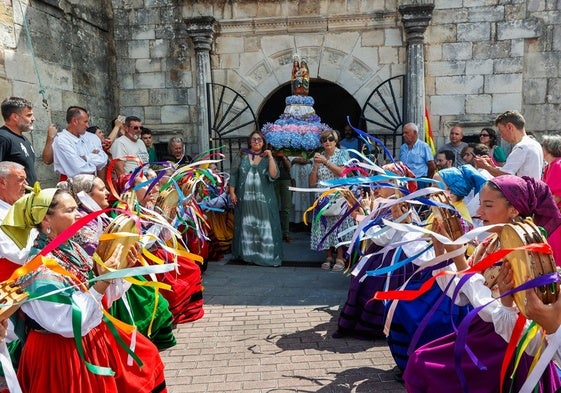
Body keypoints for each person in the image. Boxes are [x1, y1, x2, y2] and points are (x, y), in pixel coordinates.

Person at [0, 186, 168, 392]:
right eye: (69, 211)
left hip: (87, 341)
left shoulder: (72, 249)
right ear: (46, 221)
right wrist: (104, 280)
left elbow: (99, 295)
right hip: (60, 356)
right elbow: (69, 322)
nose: (79, 214)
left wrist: (119, 271)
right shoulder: (39, 268)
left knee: (146, 356)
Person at [404, 175, 561, 392]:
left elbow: (512, 323)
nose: (479, 213)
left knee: (424, 366)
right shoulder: (489, 243)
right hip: (484, 331)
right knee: (421, 362)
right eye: (480, 205)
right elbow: (461, 295)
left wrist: (459, 258)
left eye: (488, 205)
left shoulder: (525, 254)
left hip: (509, 347)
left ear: (514, 210)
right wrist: (442, 253)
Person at [59, 174, 177, 350]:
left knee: (155, 301)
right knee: (151, 304)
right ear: (86, 195)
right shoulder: (83, 223)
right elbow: (101, 258)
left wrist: (163, 221)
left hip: (118, 274)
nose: (107, 192)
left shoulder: (99, 216)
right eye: (101, 189)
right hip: (104, 283)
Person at [229, 130, 283, 267]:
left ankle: (267, 255)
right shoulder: (241, 155)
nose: (256, 142)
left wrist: (270, 156)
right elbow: (233, 175)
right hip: (245, 199)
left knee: (264, 226)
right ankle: (248, 255)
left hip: (263, 200)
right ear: (250, 142)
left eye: (259, 139)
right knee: (247, 225)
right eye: (254, 139)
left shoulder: (267, 158)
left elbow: (274, 175)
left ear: (263, 142)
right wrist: (232, 192)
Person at [309, 130, 353, 271]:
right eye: (324, 139)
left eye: (330, 139)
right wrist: (316, 166)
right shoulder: (318, 157)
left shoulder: (342, 154)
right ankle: (328, 256)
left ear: (335, 141)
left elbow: (342, 173)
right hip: (322, 196)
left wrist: (325, 162)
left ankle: (340, 256)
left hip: (338, 195)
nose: (327, 141)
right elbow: (311, 182)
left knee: (338, 226)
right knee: (324, 226)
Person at [475, 110, 544, 179]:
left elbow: (506, 176)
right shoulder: (534, 144)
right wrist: (493, 167)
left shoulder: (522, 147)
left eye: (501, 131)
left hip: (524, 189)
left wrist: (486, 166)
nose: (502, 136)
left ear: (509, 127)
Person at [52, 106, 108, 180]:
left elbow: (103, 159)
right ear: (75, 121)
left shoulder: (88, 137)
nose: (87, 125)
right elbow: (78, 168)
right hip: (73, 185)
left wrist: (86, 157)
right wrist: (93, 160)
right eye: (85, 122)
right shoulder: (62, 140)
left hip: (90, 183)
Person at [0, 162, 34, 281]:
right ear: (2, 183)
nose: (26, 185)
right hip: (9, 283)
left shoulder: (22, 207)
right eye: (21, 180)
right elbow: (17, 254)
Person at [0, 97, 37, 185]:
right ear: (15, 117)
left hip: (28, 196)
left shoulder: (24, 139)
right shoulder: (3, 138)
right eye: (29, 115)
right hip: (12, 198)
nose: (33, 119)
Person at [272, 149, 292, 242]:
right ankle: (274, 233)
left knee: (286, 208)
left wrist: (283, 156)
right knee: (273, 207)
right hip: (273, 180)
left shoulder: (285, 151)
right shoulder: (269, 152)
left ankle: (286, 233)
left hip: (285, 179)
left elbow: (289, 167)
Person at [541, 134, 561, 210]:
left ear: (549, 148)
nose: (541, 148)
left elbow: (557, 196)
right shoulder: (550, 165)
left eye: (542, 146)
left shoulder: (558, 165)